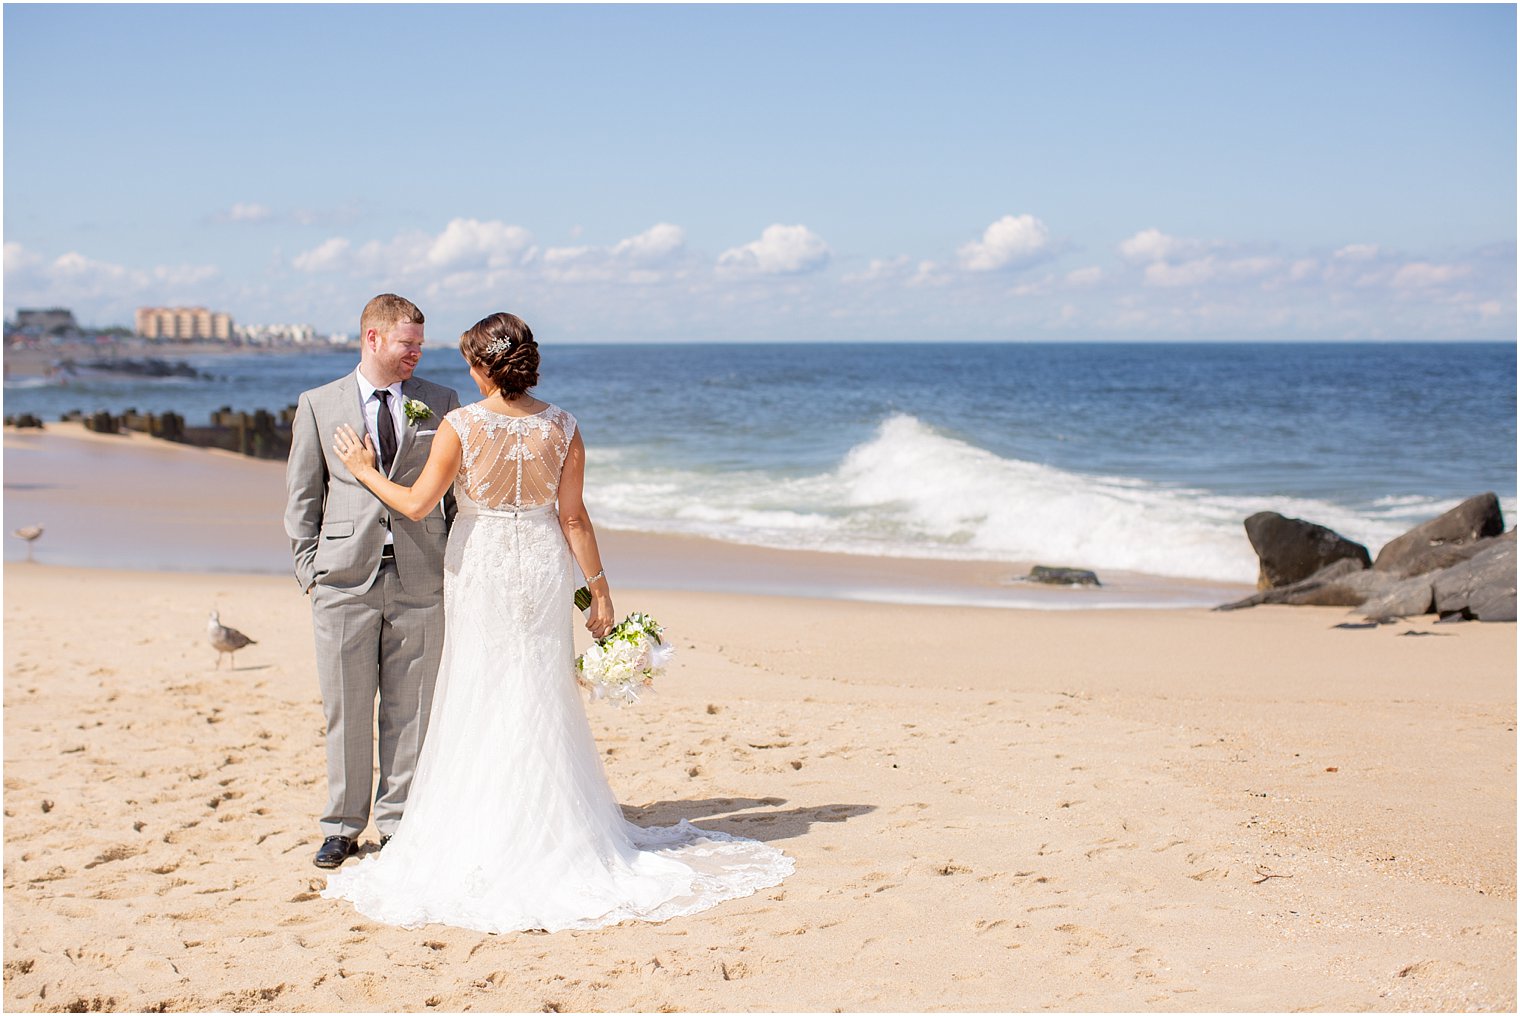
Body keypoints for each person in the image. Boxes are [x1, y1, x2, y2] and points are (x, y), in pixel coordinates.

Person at [320, 311, 793, 932]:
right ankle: (555, 827)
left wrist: (361, 469)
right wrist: (600, 592)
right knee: (540, 690)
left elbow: (416, 504)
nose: (464, 370)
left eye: (468, 360)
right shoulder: (564, 427)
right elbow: (574, 519)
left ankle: (481, 827)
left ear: (485, 366)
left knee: (479, 688)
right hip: (544, 566)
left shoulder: (459, 425)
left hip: (483, 565)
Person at [284, 294, 462, 869]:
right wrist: (312, 569)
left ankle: (399, 822)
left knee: (412, 710)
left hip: (421, 577)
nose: (417, 352)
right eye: (408, 343)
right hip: (343, 581)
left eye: (420, 344)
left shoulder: (442, 403)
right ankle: (341, 825)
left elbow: (455, 498)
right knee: (346, 708)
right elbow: (303, 495)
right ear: (373, 339)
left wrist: (454, 568)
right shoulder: (318, 404)